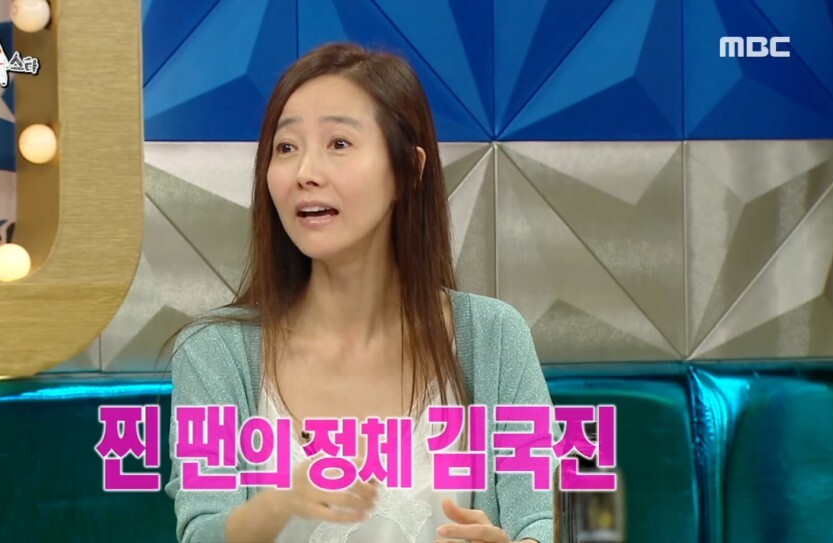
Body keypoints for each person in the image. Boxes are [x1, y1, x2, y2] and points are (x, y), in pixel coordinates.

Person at [166, 42, 557, 543]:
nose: (305, 173)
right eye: (286, 148)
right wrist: (278, 508)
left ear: (408, 170)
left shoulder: (493, 337)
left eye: (338, 143)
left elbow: (542, 521)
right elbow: (200, 530)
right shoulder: (213, 352)